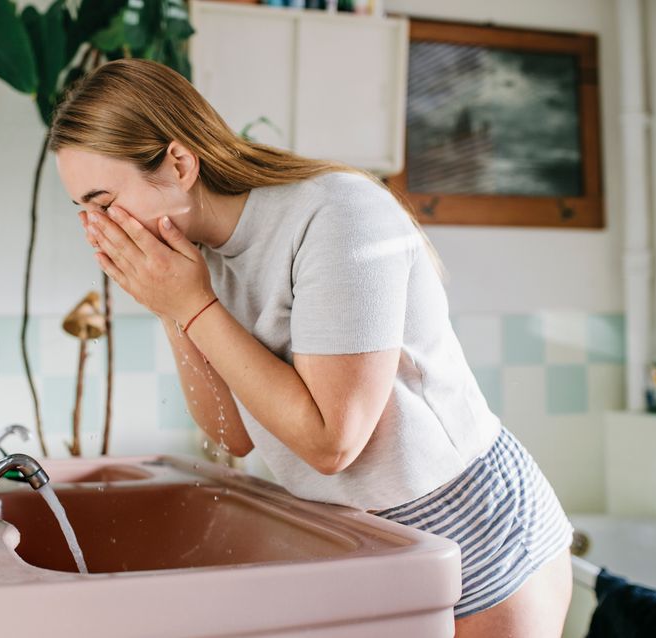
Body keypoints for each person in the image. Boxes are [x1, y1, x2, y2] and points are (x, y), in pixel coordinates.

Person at [49, 58, 573, 636]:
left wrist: (191, 306)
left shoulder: (337, 214)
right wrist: (177, 309)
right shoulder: (200, 259)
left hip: (473, 527)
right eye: (85, 211)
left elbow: (333, 443)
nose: (98, 228)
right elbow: (231, 434)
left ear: (178, 164)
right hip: (365, 540)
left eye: (104, 202)